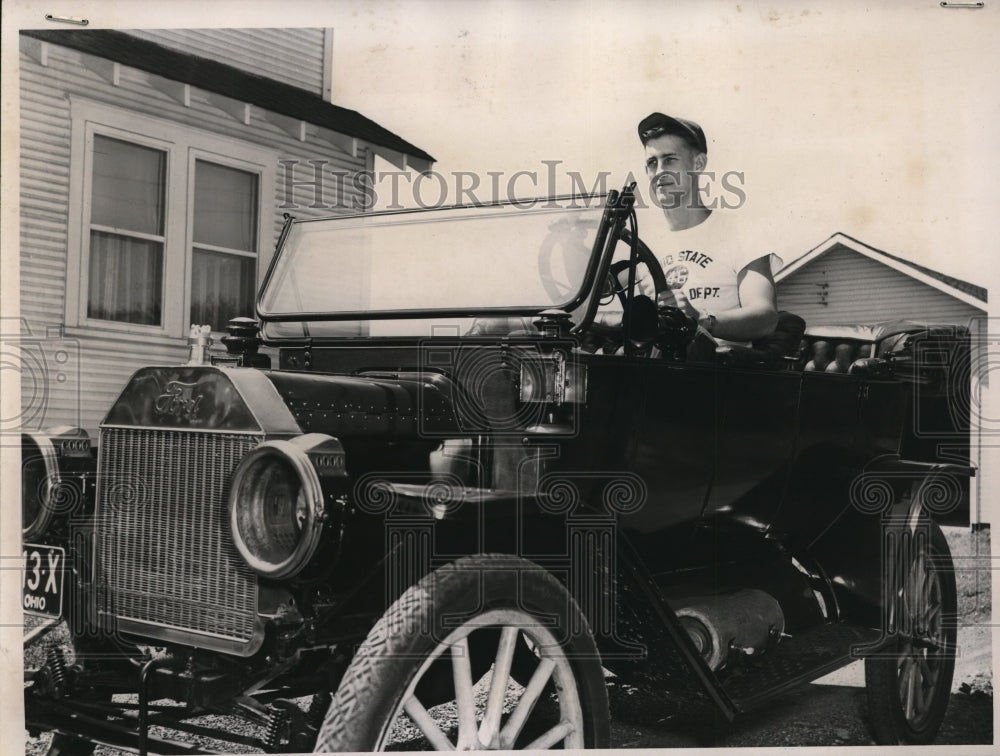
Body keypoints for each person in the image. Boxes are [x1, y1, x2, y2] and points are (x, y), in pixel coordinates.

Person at [635, 112, 781, 347]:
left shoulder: (740, 231)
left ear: (699, 163)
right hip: (654, 372)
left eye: (670, 159)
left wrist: (700, 319)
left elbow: (765, 317)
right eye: (652, 163)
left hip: (719, 375)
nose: (660, 171)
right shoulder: (640, 244)